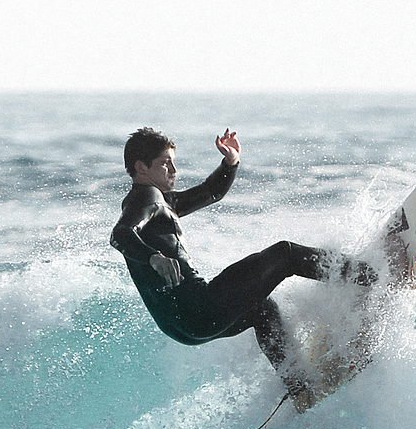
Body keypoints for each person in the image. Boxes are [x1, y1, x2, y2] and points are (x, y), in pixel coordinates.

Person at [108, 126, 371, 414]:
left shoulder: (161, 201)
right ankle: (372, 276)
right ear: (141, 167)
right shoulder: (145, 199)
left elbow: (210, 192)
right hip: (199, 308)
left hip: (183, 326)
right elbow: (120, 234)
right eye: (164, 163)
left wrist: (230, 162)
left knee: (262, 309)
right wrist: (153, 257)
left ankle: (299, 389)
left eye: (172, 161)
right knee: (286, 254)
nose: (173, 169)